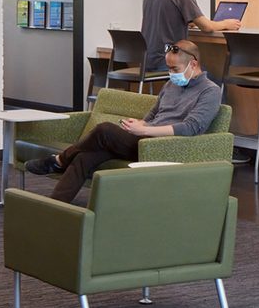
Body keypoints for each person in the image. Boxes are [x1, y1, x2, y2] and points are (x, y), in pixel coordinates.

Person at [27, 39, 223, 203]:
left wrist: (145, 131)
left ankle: (60, 159)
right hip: (144, 139)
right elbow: (154, 114)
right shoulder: (171, 84)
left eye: (174, 68)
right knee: (84, 157)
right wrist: (140, 124)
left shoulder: (210, 91)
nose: (171, 73)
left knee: (104, 130)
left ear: (194, 64)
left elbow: (191, 128)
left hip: (163, 146)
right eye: (169, 68)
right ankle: (54, 207)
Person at [141, 0, 238, 75]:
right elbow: (207, 27)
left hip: (148, 60)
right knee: (214, 83)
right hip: (169, 61)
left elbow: (164, 19)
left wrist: (187, 22)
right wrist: (226, 23)